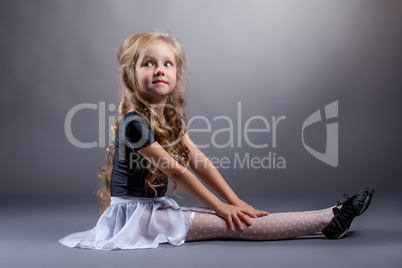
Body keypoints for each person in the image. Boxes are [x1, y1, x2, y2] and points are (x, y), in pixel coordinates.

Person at [59, 31, 374, 250]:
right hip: (137, 218)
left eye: (167, 63)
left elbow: (198, 162)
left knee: (239, 216)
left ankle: (331, 217)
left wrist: (234, 201)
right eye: (148, 63)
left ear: (177, 75)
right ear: (130, 76)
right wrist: (222, 209)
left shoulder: (167, 118)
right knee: (236, 226)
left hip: (150, 210)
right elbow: (178, 172)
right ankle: (332, 217)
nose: (159, 70)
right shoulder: (134, 124)